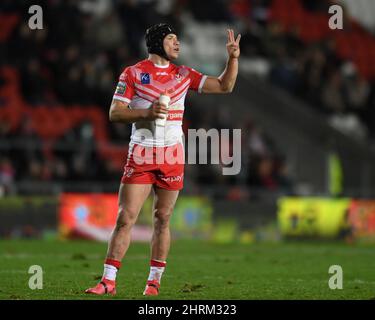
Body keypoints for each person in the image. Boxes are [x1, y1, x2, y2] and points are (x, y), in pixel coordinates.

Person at [85, 23, 241, 296]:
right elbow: (115, 113)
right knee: (125, 217)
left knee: (163, 218)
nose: (178, 44)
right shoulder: (133, 73)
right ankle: (108, 281)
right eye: (172, 39)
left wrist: (233, 59)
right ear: (158, 43)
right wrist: (147, 113)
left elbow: (225, 86)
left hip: (172, 155)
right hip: (142, 153)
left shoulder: (183, 74)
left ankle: (153, 283)